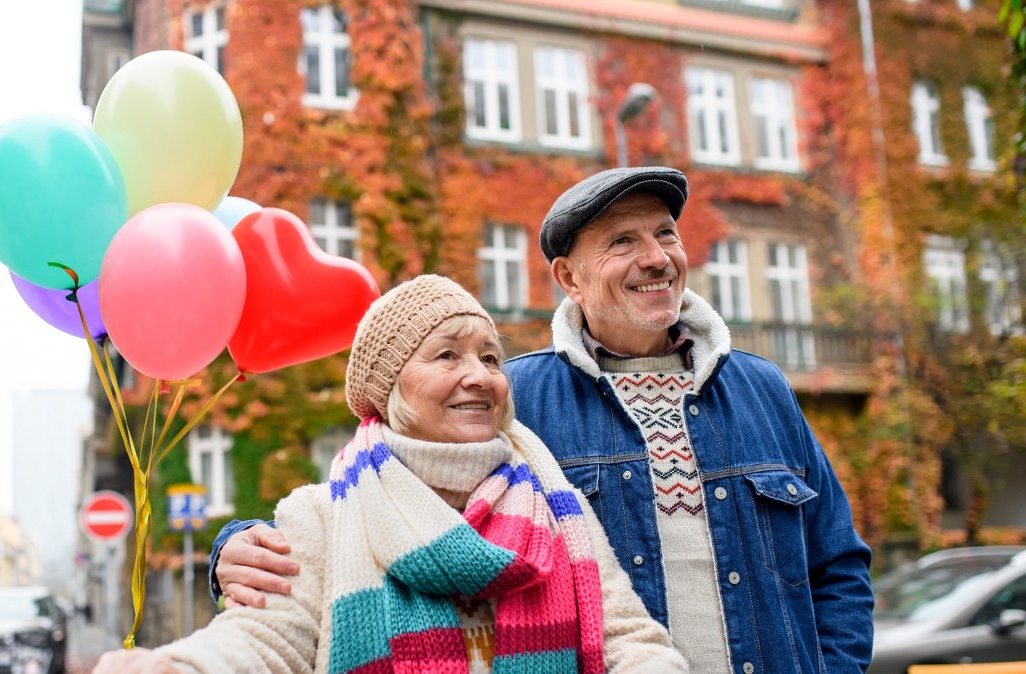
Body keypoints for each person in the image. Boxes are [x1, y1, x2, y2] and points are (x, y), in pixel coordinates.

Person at [210, 167, 875, 673]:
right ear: (569, 277)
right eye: (622, 241)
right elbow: (401, 488)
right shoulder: (516, 398)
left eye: (664, 233)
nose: (656, 257)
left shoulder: (761, 389)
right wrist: (236, 547)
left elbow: (838, 565)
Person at [92, 275, 688, 673]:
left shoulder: (556, 507)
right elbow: (262, 644)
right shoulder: (320, 517)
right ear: (392, 384)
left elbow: (631, 642)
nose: (479, 375)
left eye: (489, 356)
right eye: (447, 355)